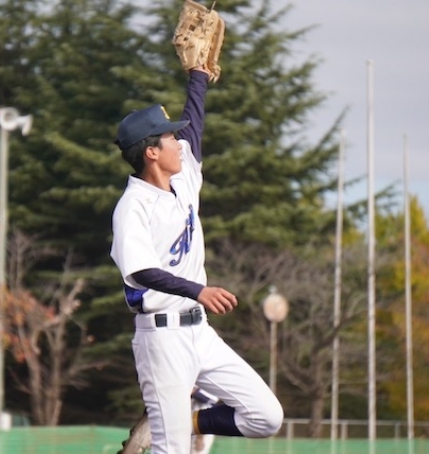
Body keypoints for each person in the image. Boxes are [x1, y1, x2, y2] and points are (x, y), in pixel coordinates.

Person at [110, 66, 283, 454]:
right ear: (152, 152)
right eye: (170, 137)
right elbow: (141, 270)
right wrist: (198, 291)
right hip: (162, 339)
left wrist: (199, 77)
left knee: (266, 416)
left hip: (199, 332)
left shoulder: (182, 179)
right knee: (171, 451)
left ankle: (184, 424)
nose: (179, 142)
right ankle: (168, 430)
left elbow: (195, 131)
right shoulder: (132, 207)